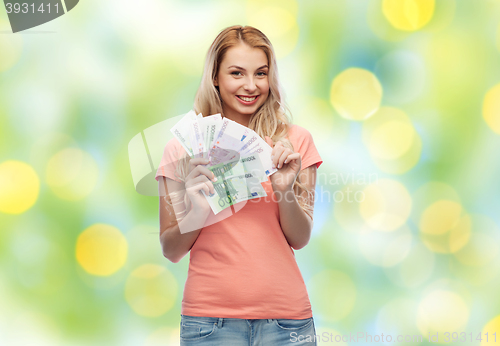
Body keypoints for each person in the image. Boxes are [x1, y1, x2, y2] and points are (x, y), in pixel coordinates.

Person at [156, 25, 323, 346]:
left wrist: (285, 190)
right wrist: (198, 210)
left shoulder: (295, 143)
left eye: (261, 73)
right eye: (236, 73)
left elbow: (300, 238)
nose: (250, 85)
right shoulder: (183, 149)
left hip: (287, 321)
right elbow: (171, 249)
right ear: (215, 77)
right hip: (209, 322)